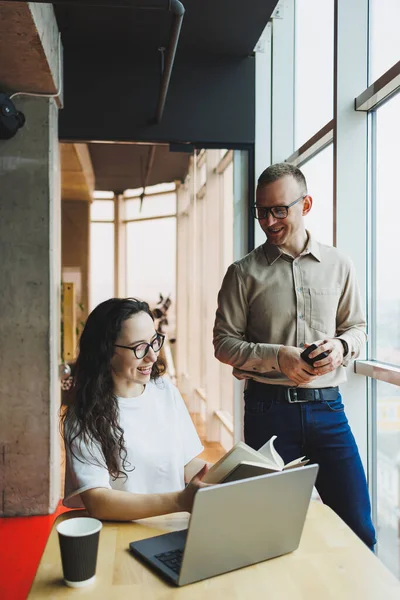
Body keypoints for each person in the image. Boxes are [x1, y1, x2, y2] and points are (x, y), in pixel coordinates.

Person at [213, 162, 376, 549]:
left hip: (329, 412)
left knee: (359, 530)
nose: (269, 221)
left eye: (279, 210)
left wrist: (340, 347)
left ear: (306, 205)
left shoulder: (340, 265)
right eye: (262, 211)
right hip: (268, 414)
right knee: (267, 536)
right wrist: (278, 357)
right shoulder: (242, 273)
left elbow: (357, 329)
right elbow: (223, 342)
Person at [62, 297, 208, 521]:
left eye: (154, 342)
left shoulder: (164, 390)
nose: (152, 356)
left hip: (175, 526)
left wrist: (237, 473)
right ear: (106, 350)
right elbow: (98, 501)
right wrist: (180, 501)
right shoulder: (84, 415)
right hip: (121, 532)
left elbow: (185, 463)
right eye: (139, 347)